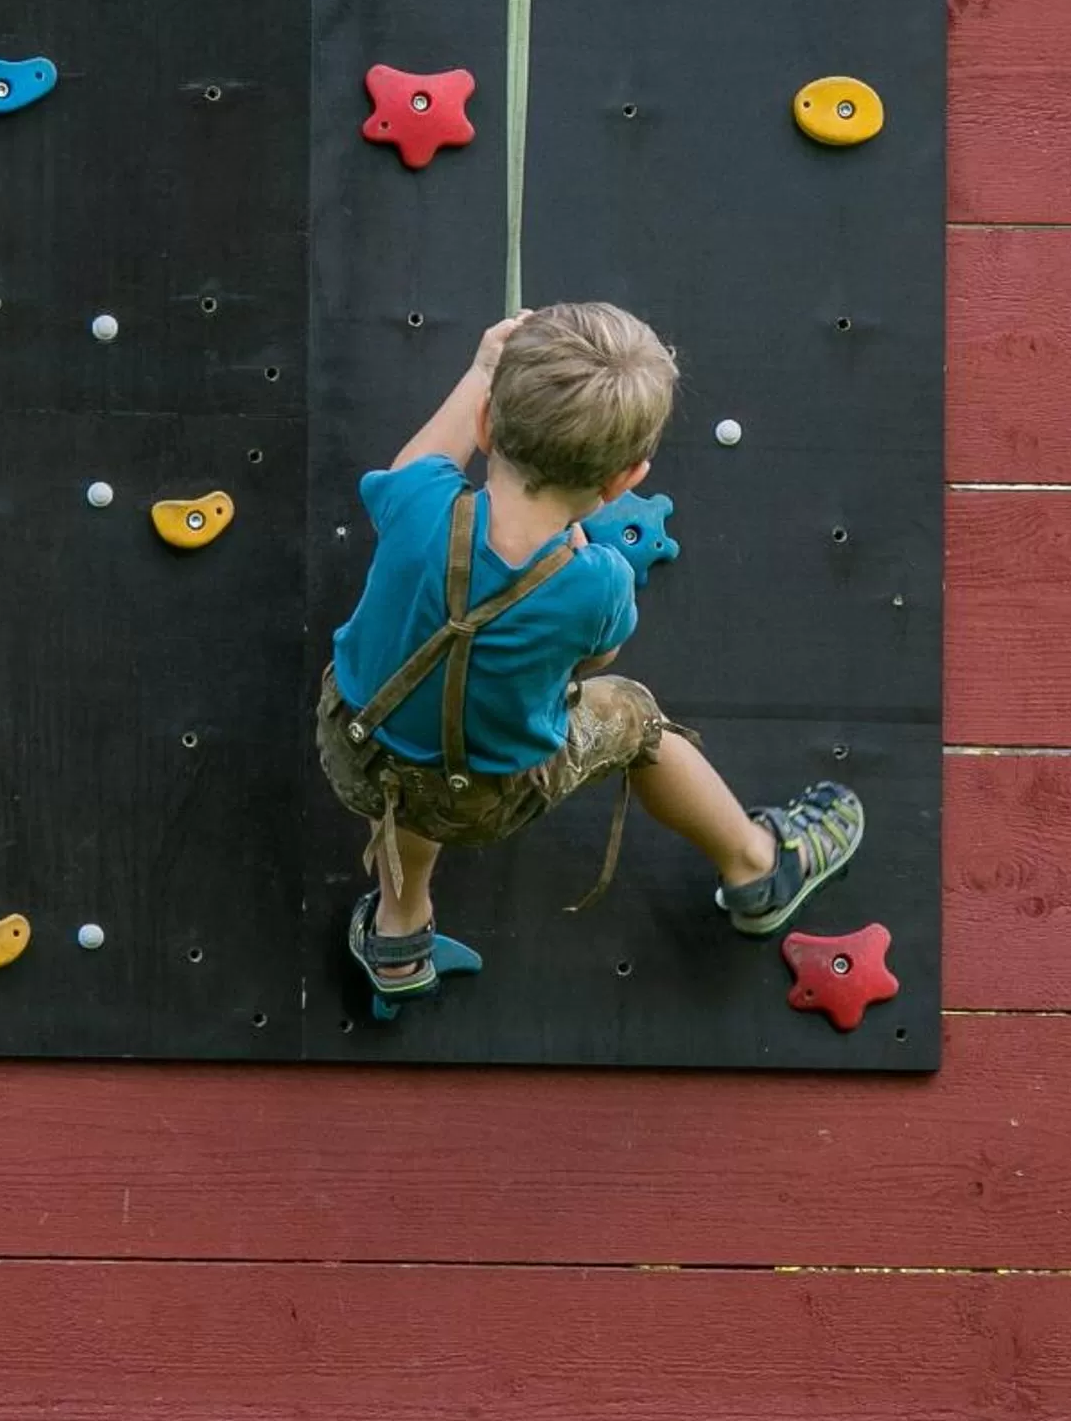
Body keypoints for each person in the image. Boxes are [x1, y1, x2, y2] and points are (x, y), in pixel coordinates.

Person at [316, 302, 864, 1002]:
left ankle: (399, 931)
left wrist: (482, 369)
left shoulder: (417, 501)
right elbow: (593, 662)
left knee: (409, 777)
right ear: (623, 481)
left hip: (356, 747)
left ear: (487, 425)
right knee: (632, 717)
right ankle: (756, 866)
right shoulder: (596, 581)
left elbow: (419, 459)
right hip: (486, 795)